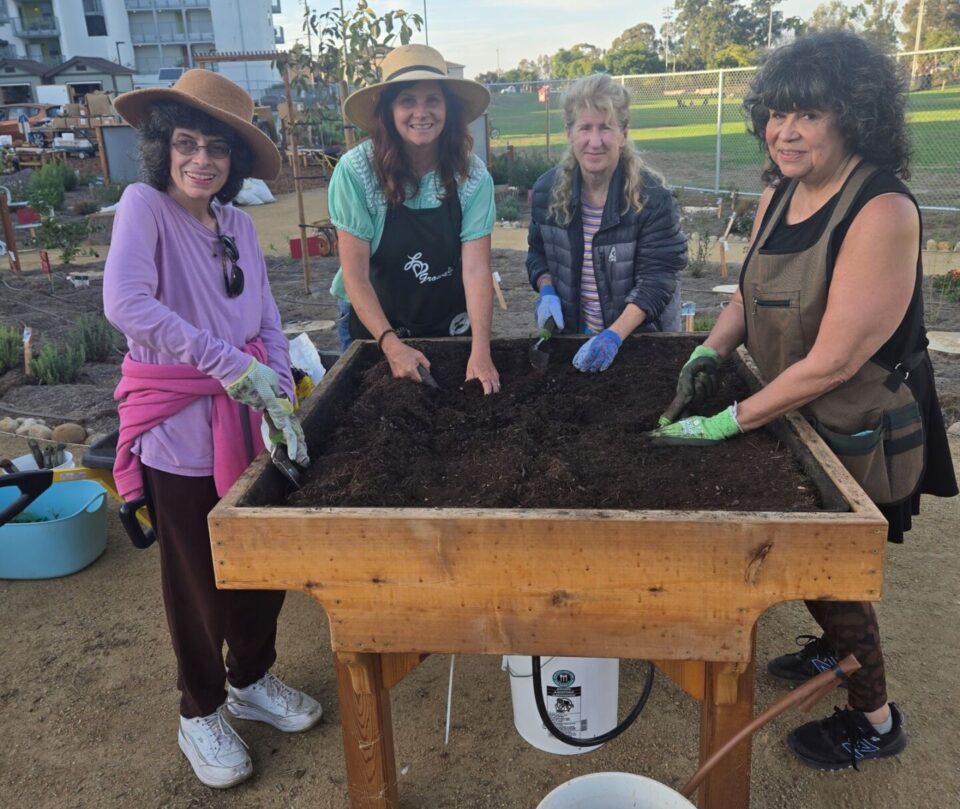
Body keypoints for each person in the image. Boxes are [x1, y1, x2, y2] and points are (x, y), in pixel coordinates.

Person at [648, 31, 957, 770]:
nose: (784, 131)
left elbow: (837, 359)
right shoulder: (779, 190)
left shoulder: (881, 210)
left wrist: (728, 420)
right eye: (775, 113)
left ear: (852, 116)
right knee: (812, 562)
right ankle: (830, 650)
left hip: (858, 419)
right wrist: (708, 349)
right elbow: (749, 295)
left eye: (807, 115)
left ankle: (876, 718)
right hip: (797, 406)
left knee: (834, 568)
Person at [105, 69, 322, 789]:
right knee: (198, 577)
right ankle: (199, 709)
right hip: (179, 428)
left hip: (247, 420)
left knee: (261, 561)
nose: (202, 159)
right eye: (187, 143)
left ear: (233, 162)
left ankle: (251, 678)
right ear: (162, 147)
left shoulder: (235, 225)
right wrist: (225, 365)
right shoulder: (144, 207)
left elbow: (261, 313)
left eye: (217, 149)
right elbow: (126, 303)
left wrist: (277, 388)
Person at [327, 44, 500, 394]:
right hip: (376, 323)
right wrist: (390, 344)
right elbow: (355, 275)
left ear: (448, 109)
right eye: (407, 100)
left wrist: (481, 350)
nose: (421, 113)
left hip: (445, 316)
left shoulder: (472, 176)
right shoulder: (356, 172)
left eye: (432, 100)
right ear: (388, 111)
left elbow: (476, 269)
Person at [526, 73, 686, 373]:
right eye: (585, 127)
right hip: (574, 338)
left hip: (639, 343)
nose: (595, 141)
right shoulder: (547, 192)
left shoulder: (652, 199)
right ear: (569, 132)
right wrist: (546, 289)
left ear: (623, 133)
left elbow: (658, 279)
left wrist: (614, 335)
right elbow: (538, 255)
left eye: (606, 128)